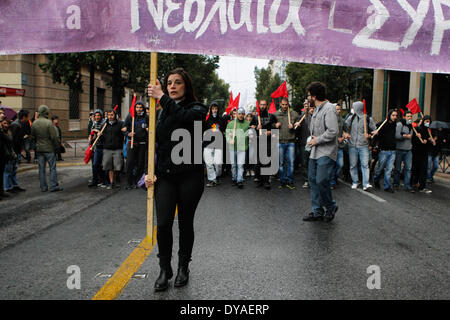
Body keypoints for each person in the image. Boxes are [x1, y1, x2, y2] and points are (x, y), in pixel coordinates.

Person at [146, 68, 208, 292]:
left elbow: (184, 119)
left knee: (184, 222)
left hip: (190, 175)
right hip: (165, 177)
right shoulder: (159, 112)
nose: (172, 86)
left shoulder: (197, 109)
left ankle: (183, 266)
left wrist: (161, 97)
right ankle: (165, 268)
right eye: (169, 83)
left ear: (186, 86)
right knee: (162, 224)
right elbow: (155, 144)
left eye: (177, 82)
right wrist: (148, 172)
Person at [303, 82, 339, 222]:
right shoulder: (316, 110)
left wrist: (317, 140)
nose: (308, 98)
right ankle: (317, 211)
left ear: (315, 96)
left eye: (309, 95)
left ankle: (330, 206)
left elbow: (333, 131)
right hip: (314, 152)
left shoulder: (329, 109)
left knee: (321, 180)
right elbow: (313, 129)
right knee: (313, 180)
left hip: (326, 151)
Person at [30, 105, 63, 192]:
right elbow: (54, 137)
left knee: (41, 169)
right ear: (46, 112)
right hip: (49, 148)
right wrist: (57, 147)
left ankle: (43, 187)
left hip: (39, 149)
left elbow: (32, 137)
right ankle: (53, 186)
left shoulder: (34, 123)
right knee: (52, 168)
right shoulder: (48, 123)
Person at [345, 101, 377, 191]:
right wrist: (345, 134)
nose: (353, 109)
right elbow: (344, 128)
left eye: (354, 107)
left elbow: (375, 131)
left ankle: (365, 183)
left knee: (365, 165)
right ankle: (355, 181)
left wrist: (370, 135)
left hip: (364, 146)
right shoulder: (350, 118)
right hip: (352, 145)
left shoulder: (368, 119)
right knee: (353, 165)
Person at [250, 100, 278, 189]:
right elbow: (250, 127)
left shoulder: (271, 116)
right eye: (261, 105)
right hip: (258, 141)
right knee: (258, 162)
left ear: (267, 105)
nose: (262, 106)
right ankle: (259, 180)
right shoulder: (255, 117)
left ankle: (266, 181)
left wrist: (271, 131)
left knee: (266, 161)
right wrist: (255, 127)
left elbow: (277, 127)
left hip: (268, 141)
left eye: (264, 105)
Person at [274, 97, 300, 189]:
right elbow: (270, 126)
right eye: (283, 104)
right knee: (281, 163)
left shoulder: (294, 114)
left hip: (291, 142)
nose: (285, 106)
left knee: (291, 162)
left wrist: (294, 126)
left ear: (288, 104)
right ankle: (282, 180)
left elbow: (299, 125)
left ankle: (290, 180)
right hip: (280, 141)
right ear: (280, 104)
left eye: (286, 104)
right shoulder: (275, 114)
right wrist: (274, 125)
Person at [123, 100, 149, 189]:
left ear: (143, 108)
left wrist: (148, 130)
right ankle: (128, 182)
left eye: (140, 107)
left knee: (140, 163)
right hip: (132, 143)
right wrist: (128, 134)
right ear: (135, 108)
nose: (138, 109)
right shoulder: (130, 116)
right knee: (130, 163)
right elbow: (123, 128)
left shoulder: (147, 117)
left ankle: (137, 181)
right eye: (137, 107)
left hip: (142, 144)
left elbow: (152, 129)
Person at [372, 109, 398, 193]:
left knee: (389, 170)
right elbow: (376, 136)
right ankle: (376, 180)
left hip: (392, 150)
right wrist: (376, 134)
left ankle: (387, 186)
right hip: (383, 150)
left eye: (396, 115)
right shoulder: (381, 124)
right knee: (380, 169)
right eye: (393, 115)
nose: (395, 117)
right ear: (389, 115)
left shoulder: (395, 125)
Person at [100, 109, 125, 190]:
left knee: (117, 166)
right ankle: (111, 182)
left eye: (112, 115)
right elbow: (101, 138)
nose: (110, 117)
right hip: (107, 148)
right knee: (109, 167)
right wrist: (100, 135)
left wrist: (125, 131)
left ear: (115, 115)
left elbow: (125, 133)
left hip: (117, 148)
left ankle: (117, 178)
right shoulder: (104, 125)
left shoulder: (120, 124)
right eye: (108, 115)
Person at [226, 107, 250, 189]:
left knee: (240, 165)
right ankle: (234, 178)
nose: (240, 115)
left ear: (244, 115)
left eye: (242, 114)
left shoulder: (247, 124)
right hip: (232, 148)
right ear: (236, 114)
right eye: (239, 114)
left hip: (242, 147)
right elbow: (227, 134)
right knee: (233, 165)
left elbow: (250, 133)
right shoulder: (231, 124)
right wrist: (230, 139)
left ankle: (239, 180)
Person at [204, 101, 226, 187]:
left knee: (218, 163)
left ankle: (217, 177)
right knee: (209, 163)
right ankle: (212, 179)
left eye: (216, 108)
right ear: (210, 109)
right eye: (213, 108)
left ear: (218, 110)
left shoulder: (222, 120)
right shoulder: (206, 119)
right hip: (208, 144)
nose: (214, 110)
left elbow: (223, 130)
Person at [393, 110, 414, 192]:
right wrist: (405, 136)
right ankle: (396, 183)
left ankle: (407, 186)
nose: (410, 118)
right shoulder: (399, 124)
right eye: (408, 116)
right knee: (397, 168)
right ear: (404, 117)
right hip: (399, 149)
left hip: (408, 150)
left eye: (411, 116)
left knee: (408, 168)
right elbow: (397, 135)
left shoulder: (411, 126)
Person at [411, 116, 432, 193]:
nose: (427, 123)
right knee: (415, 168)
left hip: (424, 153)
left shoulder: (428, 131)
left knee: (423, 169)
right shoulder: (417, 129)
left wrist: (429, 141)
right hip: (417, 152)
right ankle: (413, 184)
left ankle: (422, 186)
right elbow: (413, 141)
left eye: (429, 121)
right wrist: (418, 138)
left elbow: (429, 141)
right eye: (426, 121)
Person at [296, 102, 314, 188]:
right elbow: (295, 131)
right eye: (305, 106)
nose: (307, 107)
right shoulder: (300, 118)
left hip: (314, 143)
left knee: (313, 162)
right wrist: (297, 126)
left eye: (308, 106)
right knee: (304, 162)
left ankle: (313, 179)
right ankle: (306, 180)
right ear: (303, 107)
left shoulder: (315, 117)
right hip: (303, 143)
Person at [88, 109, 107, 188]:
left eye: (98, 115)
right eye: (95, 116)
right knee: (95, 164)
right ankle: (95, 180)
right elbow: (91, 133)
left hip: (103, 147)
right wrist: (90, 136)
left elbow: (106, 135)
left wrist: (101, 134)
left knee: (103, 165)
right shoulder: (94, 123)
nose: (97, 117)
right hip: (96, 147)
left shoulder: (104, 124)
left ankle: (103, 180)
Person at [330, 103, 347, 189]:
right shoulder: (329, 120)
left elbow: (346, 131)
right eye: (337, 109)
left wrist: (345, 135)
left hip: (339, 146)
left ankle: (335, 177)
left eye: (340, 109)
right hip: (331, 146)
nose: (339, 111)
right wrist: (337, 139)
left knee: (340, 164)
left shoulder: (342, 120)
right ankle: (332, 182)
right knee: (332, 165)